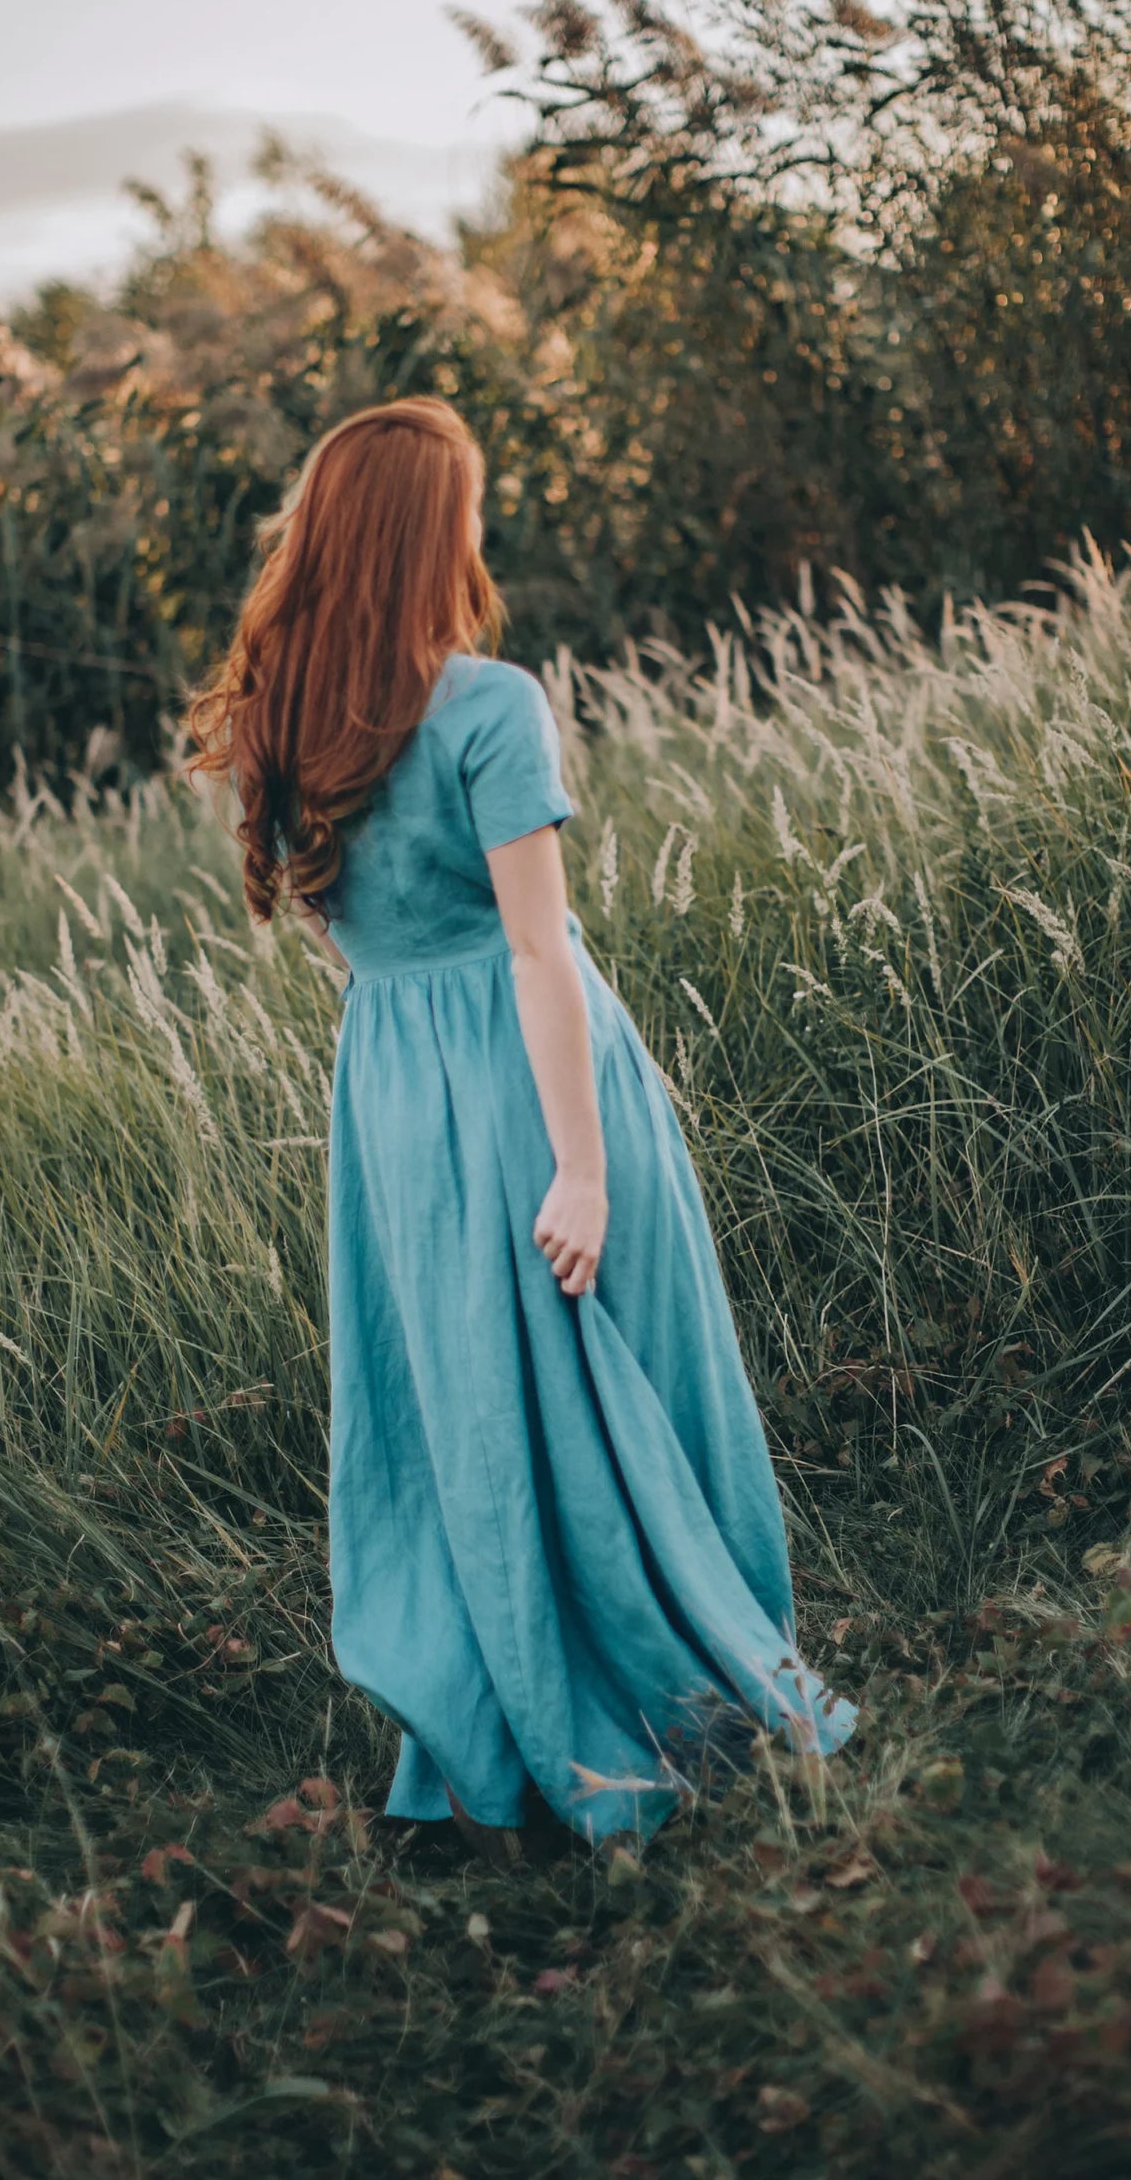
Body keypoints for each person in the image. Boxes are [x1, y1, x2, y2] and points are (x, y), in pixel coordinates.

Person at [186, 396, 855, 1861]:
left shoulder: (277, 713)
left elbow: (361, 935)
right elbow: (538, 950)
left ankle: (499, 1724)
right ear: (433, 533)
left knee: (470, 1421)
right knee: (631, 1376)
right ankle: (677, 1705)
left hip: (395, 1103)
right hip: (538, 1076)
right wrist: (583, 1165)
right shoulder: (486, 702)